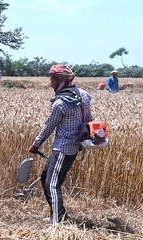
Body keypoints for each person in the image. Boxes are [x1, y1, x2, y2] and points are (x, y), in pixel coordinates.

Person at [28, 64, 92, 224]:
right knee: (45, 178)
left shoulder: (60, 103)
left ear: (59, 80)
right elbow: (90, 119)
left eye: (52, 79)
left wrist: (36, 145)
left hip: (63, 149)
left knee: (52, 184)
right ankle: (58, 214)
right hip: (73, 146)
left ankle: (58, 222)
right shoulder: (84, 95)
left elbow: (48, 126)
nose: (50, 83)